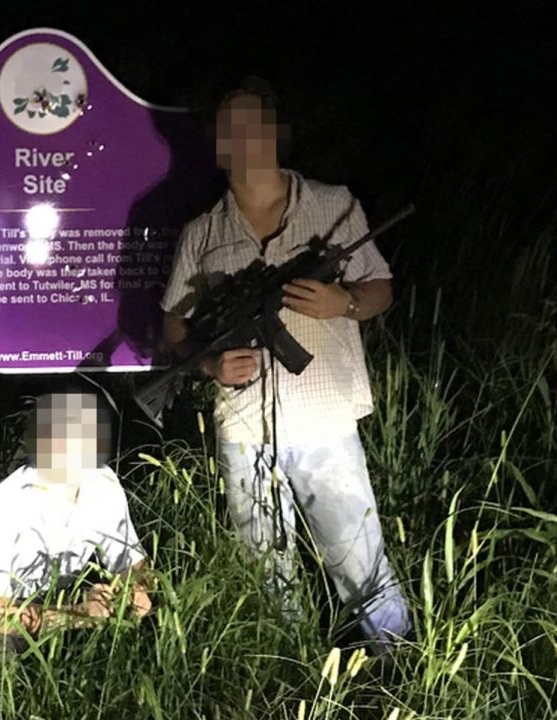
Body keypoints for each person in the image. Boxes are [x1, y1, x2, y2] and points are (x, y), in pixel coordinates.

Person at [160, 77, 411, 652]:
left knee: (359, 556)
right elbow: (175, 324)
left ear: (277, 134)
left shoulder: (333, 204)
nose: (244, 138)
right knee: (265, 567)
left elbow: (381, 287)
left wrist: (342, 303)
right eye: (231, 129)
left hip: (323, 417)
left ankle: (399, 663)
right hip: (244, 427)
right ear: (218, 145)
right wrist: (209, 367)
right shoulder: (203, 233)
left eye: (255, 125)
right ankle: (290, 668)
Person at [0, 390, 153, 663]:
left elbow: (133, 563)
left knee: (147, 629)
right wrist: (79, 614)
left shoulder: (103, 484)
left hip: (48, 601)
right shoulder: (3, 502)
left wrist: (133, 591)